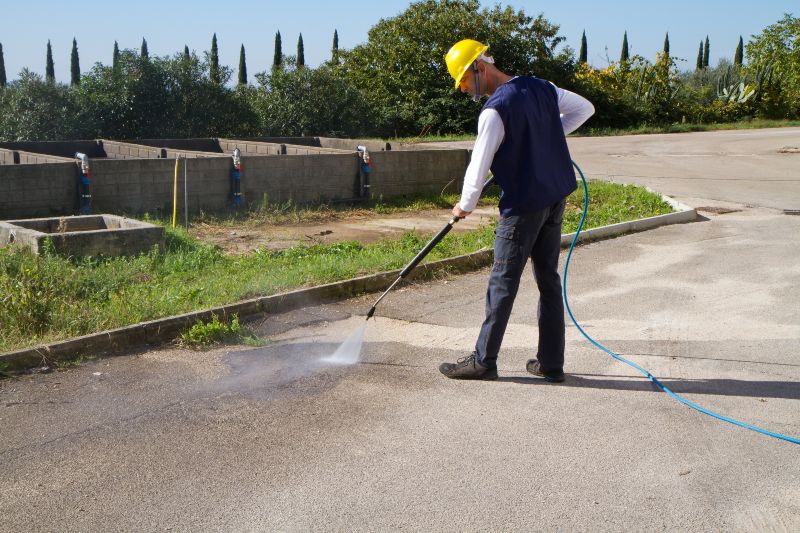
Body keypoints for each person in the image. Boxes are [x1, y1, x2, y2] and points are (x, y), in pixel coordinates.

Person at [438, 39, 595, 381]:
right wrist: (545, 137)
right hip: (554, 197)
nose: (465, 90)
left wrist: (464, 206)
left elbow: (477, 167)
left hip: (524, 205)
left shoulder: (495, 111)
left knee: (503, 282)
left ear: (479, 68)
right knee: (548, 280)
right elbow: (584, 109)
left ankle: (483, 360)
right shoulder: (543, 87)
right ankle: (551, 363)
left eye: (464, 82)